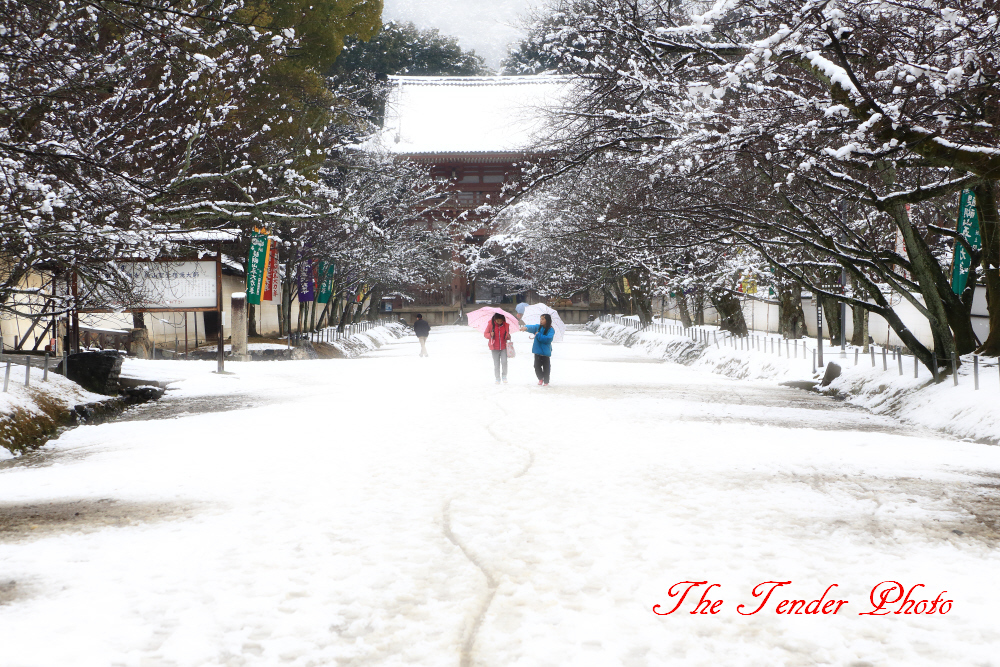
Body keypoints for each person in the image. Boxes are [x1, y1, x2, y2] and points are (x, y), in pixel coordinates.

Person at [522, 313, 555, 386]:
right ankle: (540, 378)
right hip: (537, 351)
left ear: (548, 320)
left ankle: (546, 381)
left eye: (543, 319)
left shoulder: (551, 330)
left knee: (546, 367)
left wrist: (538, 334)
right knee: (536, 366)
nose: (541, 320)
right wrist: (525, 328)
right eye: (540, 319)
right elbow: (532, 327)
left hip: (545, 352)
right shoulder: (538, 327)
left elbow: (548, 339)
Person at [484, 312, 511, 384]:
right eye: (498, 321)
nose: (499, 322)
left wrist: (508, 336)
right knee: (496, 364)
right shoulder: (490, 325)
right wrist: (490, 334)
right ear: (495, 319)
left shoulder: (506, 325)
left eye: (501, 321)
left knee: (504, 362)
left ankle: (504, 376)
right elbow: (485, 334)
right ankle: (497, 378)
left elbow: (507, 336)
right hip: (494, 347)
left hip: (503, 347)